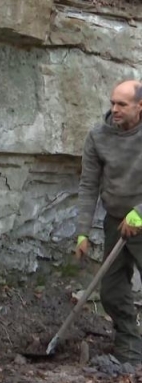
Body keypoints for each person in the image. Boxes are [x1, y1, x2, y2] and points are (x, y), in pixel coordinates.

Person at [75, 80, 142, 366]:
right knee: (112, 292)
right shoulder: (98, 136)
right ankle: (131, 352)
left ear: (140, 106)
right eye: (112, 103)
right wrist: (82, 232)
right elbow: (88, 185)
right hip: (115, 222)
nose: (114, 109)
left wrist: (139, 212)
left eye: (122, 104)